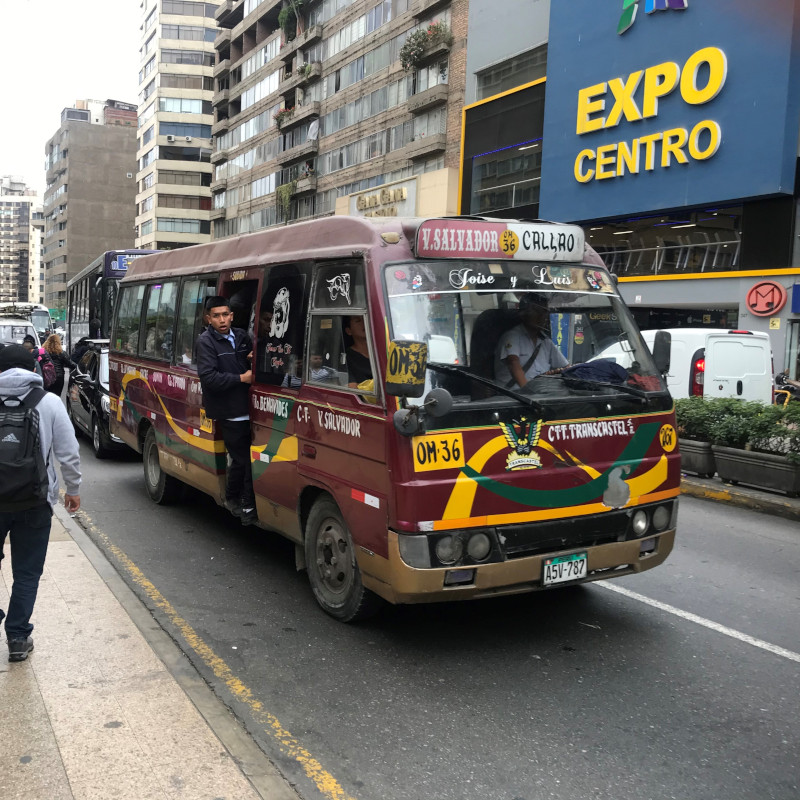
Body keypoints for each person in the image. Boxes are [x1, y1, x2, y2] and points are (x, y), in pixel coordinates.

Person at [0, 345, 81, 662]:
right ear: (34, 368)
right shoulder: (48, 402)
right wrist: (73, 489)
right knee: (27, 572)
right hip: (35, 500)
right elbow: (69, 451)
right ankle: (18, 638)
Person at [196, 296, 256, 525]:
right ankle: (236, 500)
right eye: (217, 316)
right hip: (229, 410)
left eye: (225, 315)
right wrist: (242, 377)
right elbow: (209, 378)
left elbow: (249, 365)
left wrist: (252, 360)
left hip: (251, 407)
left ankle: (245, 500)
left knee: (251, 458)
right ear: (208, 318)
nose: (222, 320)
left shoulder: (241, 336)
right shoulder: (206, 342)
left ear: (232, 315)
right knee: (242, 459)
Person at [494, 294, 568, 389]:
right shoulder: (513, 336)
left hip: (541, 397)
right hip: (512, 399)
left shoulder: (545, 341)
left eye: (544, 312)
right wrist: (529, 394)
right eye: (536, 311)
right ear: (524, 313)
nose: (542, 316)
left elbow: (565, 367)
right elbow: (513, 363)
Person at [345, 316, 372, 388]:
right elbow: (352, 387)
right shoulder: (345, 358)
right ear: (349, 331)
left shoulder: (383, 350)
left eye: (365, 319)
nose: (364, 323)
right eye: (358, 321)